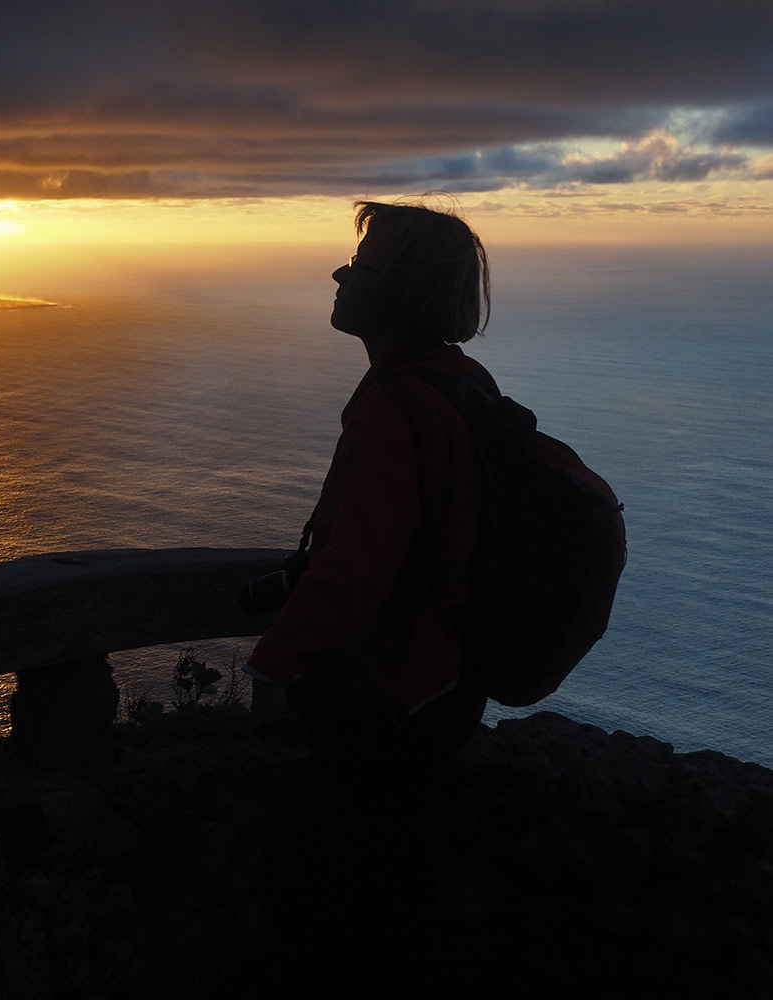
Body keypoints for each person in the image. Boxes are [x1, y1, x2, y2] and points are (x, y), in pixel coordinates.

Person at [248, 198, 498, 986]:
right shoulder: (458, 384)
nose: (339, 272)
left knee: (323, 899)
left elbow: (358, 570)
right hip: (441, 685)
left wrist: (272, 668)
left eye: (360, 265)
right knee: (390, 886)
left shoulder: (395, 407)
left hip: (384, 697)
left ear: (399, 289)